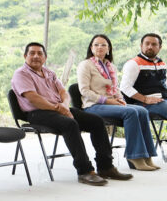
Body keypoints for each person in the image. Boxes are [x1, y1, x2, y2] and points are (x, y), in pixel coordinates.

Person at [11, 42, 132, 185]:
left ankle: (106, 167)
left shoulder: (49, 72)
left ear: (45, 57)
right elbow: (33, 98)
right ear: (25, 56)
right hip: (37, 113)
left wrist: (64, 106)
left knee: (97, 121)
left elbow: (63, 92)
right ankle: (85, 171)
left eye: (40, 53)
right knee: (70, 124)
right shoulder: (21, 74)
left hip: (59, 108)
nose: (36, 56)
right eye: (32, 53)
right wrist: (58, 108)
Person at [77, 34, 158, 170]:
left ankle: (147, 156)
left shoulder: (111, 67)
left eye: (103, 45)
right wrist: (108, 101)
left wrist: (120, 100)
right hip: (93, 106)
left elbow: (116, 89)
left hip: (110, 104)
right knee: (131, 112)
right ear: (91, 48)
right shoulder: (85, 65)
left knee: (142, 110)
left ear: (109, 49)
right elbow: (84, 91)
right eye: (96, 44)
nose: (100, 47)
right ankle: (135, 157)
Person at [120, 33, 167, 120]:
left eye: (154, 44)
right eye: (147, 43)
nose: (150, 47)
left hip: (162, 101)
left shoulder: (162, 64)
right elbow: (124, 87)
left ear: (160, 47)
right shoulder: (133, 63)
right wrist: (145, 99)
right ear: (141, 46)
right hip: (141, 104)